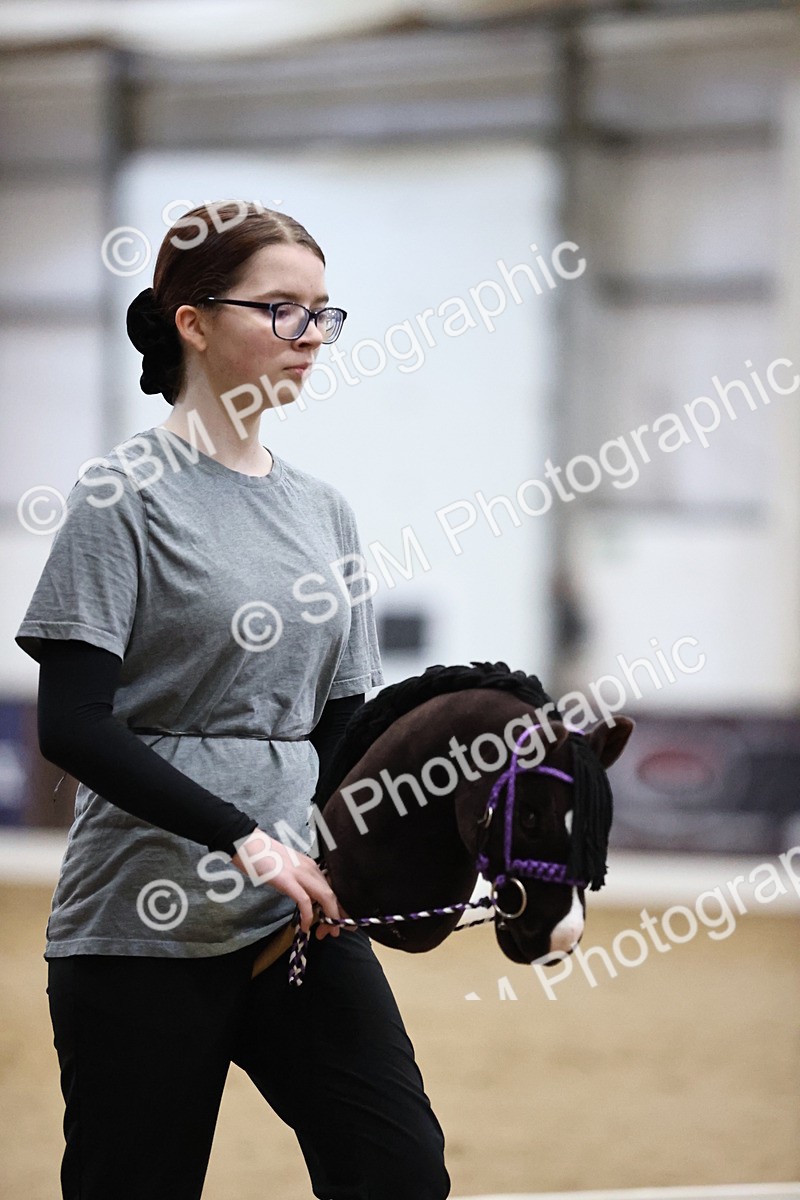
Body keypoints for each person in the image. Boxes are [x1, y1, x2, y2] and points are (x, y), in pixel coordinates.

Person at [15, 201, 451, 1200]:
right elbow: (72, 725)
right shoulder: (121, 496)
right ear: (194, 322)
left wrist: (345, 847)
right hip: (143, 921)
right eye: (282, 309)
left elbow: (344, 720)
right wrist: (247, 838)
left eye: (323, 312)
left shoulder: (324, 510)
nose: (311, 334)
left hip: (299, 918)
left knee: (399, 1173)